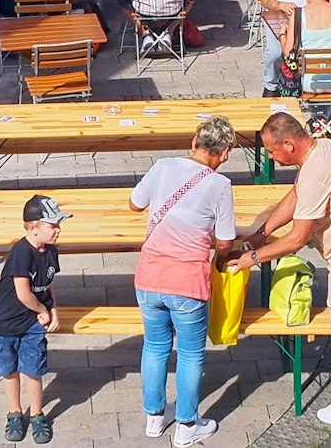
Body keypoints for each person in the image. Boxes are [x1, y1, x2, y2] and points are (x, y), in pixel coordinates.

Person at [231, 113, 331, 427]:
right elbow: (296, 195)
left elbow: (297, 238)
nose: (271, 158)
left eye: (272, 151)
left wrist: (253, 258)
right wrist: (262, 233)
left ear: (289, 144)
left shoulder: (316, 173)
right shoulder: (323, 148)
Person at [130, 116, 236, 447]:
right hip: (188, 283)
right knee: (190, 354)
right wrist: (219, 256)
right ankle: (187, 425)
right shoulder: (220, 186)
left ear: (194, 142)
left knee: (154, 346)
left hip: (149, 277)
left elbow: (135, 204)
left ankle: (154, 417)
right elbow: (226, 240)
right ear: (225, 152)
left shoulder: (162, 166)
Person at [0, 194, 66, 444]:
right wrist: (42, 310)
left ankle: (36, 414)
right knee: (9, 370)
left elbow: (48, 284)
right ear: (33, 228)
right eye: (52, 225)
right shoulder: (21, 253)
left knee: (34, 370)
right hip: (7, 323)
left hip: (33, 323)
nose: (58, 230)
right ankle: (14, 413)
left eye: (59, 224)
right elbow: (23, 294)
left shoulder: (51, 251)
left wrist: (53, 309)